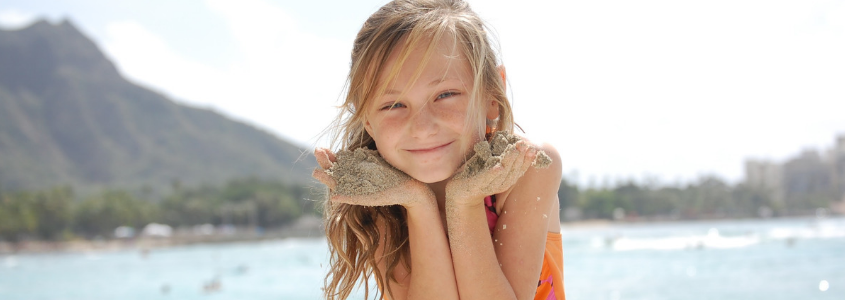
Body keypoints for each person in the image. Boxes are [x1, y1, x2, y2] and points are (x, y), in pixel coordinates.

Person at [312, 0, 564, 299]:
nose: (421, 127)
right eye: (393, 105)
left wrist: (465, 203)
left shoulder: (524, 167)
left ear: (492, 93)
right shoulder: (382, 198)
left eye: (445, 94)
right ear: (367, 119)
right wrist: (418, 204)